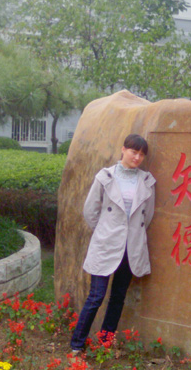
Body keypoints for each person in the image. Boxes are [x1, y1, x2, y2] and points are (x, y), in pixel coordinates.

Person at [70, 134, 156, 354]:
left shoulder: (147, 181)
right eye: (133, 152)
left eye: (141, 154)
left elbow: (147, 216)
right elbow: (90, 210)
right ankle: (77, 344)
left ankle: (104, 343)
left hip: (131, 247)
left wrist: (131, 233)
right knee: (96, 296)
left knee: (118, 297)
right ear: (123, 149)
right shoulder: (105, 176)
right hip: (106, 243)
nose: (137, 157)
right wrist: (106, 230)